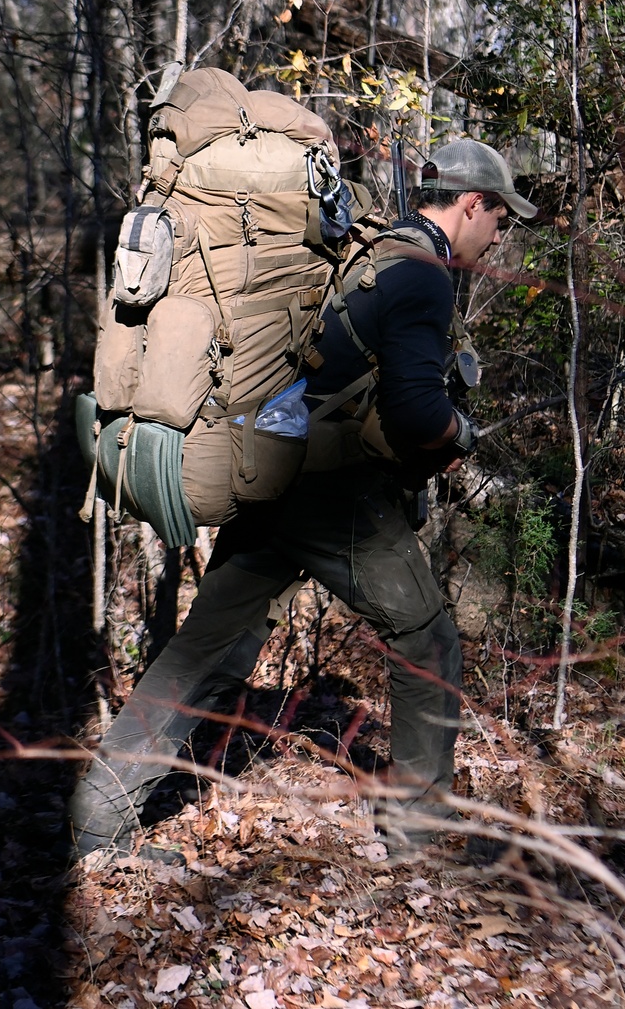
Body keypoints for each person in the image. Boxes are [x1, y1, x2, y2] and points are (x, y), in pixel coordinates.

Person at [69, 138, 537, 862]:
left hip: (270, 464)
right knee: (428, 639)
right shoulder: (423, 274)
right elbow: (415, 409)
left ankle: (99, 821)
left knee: (208, 646)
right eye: (500, 217)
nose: (500, 234)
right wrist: (459, 432)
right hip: (331, 491)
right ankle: (420, 835)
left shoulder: (371, 254)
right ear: (473, 203)